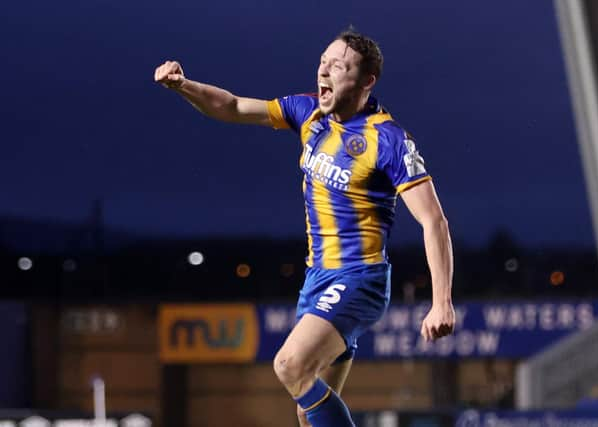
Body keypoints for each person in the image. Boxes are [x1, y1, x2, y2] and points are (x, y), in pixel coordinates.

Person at [154, 29, 455, 427]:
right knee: (306, 410)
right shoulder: (308, 113)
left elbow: (434, 221)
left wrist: (441, 302)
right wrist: (183, 86)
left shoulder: (388, 140)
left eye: (339, 66)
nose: (324, 72)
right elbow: (233, 106)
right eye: (323, 62)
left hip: (359, 280)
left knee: (289, 365)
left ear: (367, 81)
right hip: (318, 279)